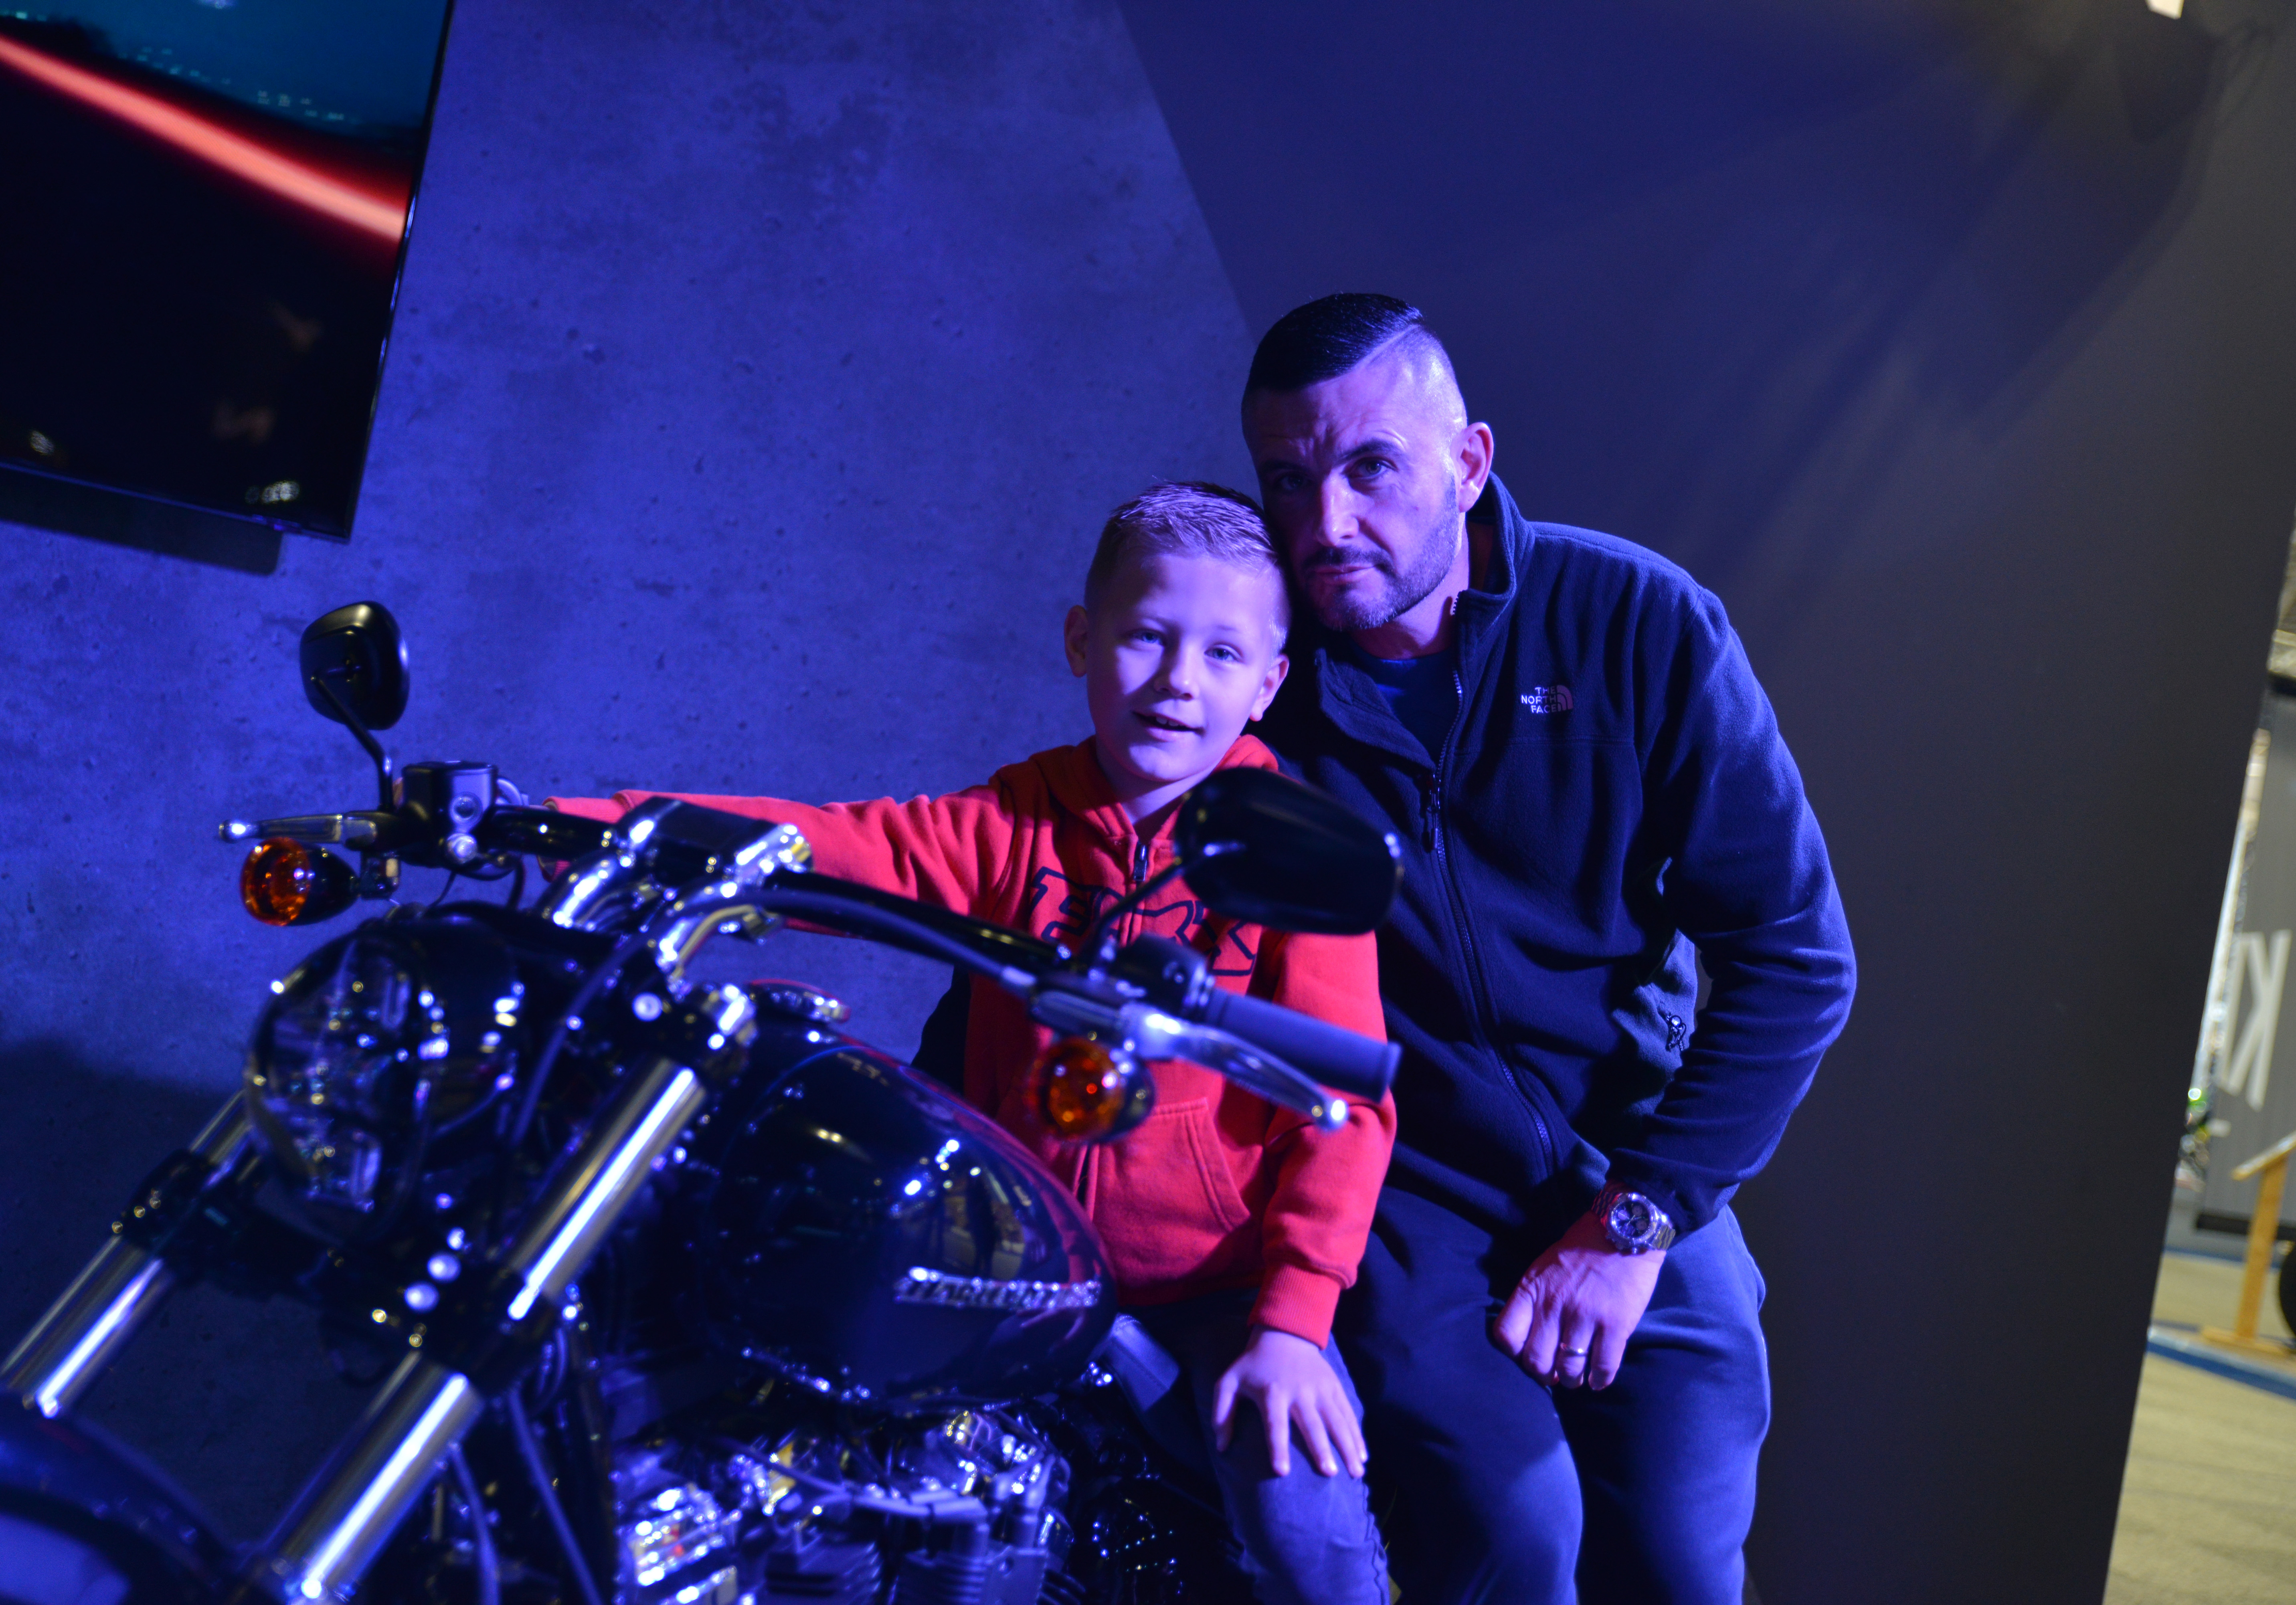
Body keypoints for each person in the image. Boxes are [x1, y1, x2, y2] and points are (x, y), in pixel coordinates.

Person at [553, 483, 1394, 1605]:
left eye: (1222, 653)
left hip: (1220, 1288)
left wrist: (1292, 1321)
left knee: (1305, 1522)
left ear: (1268, 683)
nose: (1179, 681)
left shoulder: (1294, 862)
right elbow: (837, 847)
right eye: (1147, 636)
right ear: (1081, 639)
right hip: (1018, 1262)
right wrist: (598, 831)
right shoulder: (1019, 821)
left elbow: (1351, 1109)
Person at [1243, 294, 1857, 1605]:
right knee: (1516, 1538)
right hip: (1412, 1202)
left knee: (1682, 1568)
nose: (1325, 523)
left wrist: (1637, 1221)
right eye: (1287, 481)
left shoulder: (1636, 619)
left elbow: (1797, 955)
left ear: (1468, 463)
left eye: (1370, 469)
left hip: (1640, 1175)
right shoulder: (1260, 680)